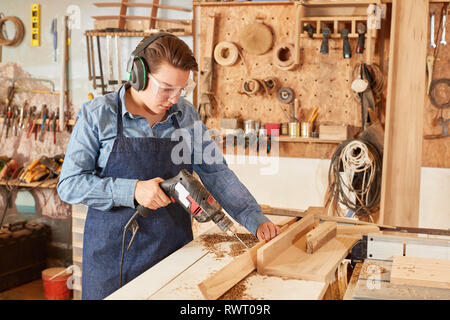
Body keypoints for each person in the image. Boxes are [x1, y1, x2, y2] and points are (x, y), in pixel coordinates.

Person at [57, 33, 281, 300]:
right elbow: (69, 185)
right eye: (166, 88)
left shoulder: (185, 116)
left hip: (173, 253)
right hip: (111, 258)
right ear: (138, 75)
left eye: (181, 90)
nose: (174, 99)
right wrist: (132, 190)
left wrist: (253, 218)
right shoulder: (98, 115)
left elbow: (216, 172)